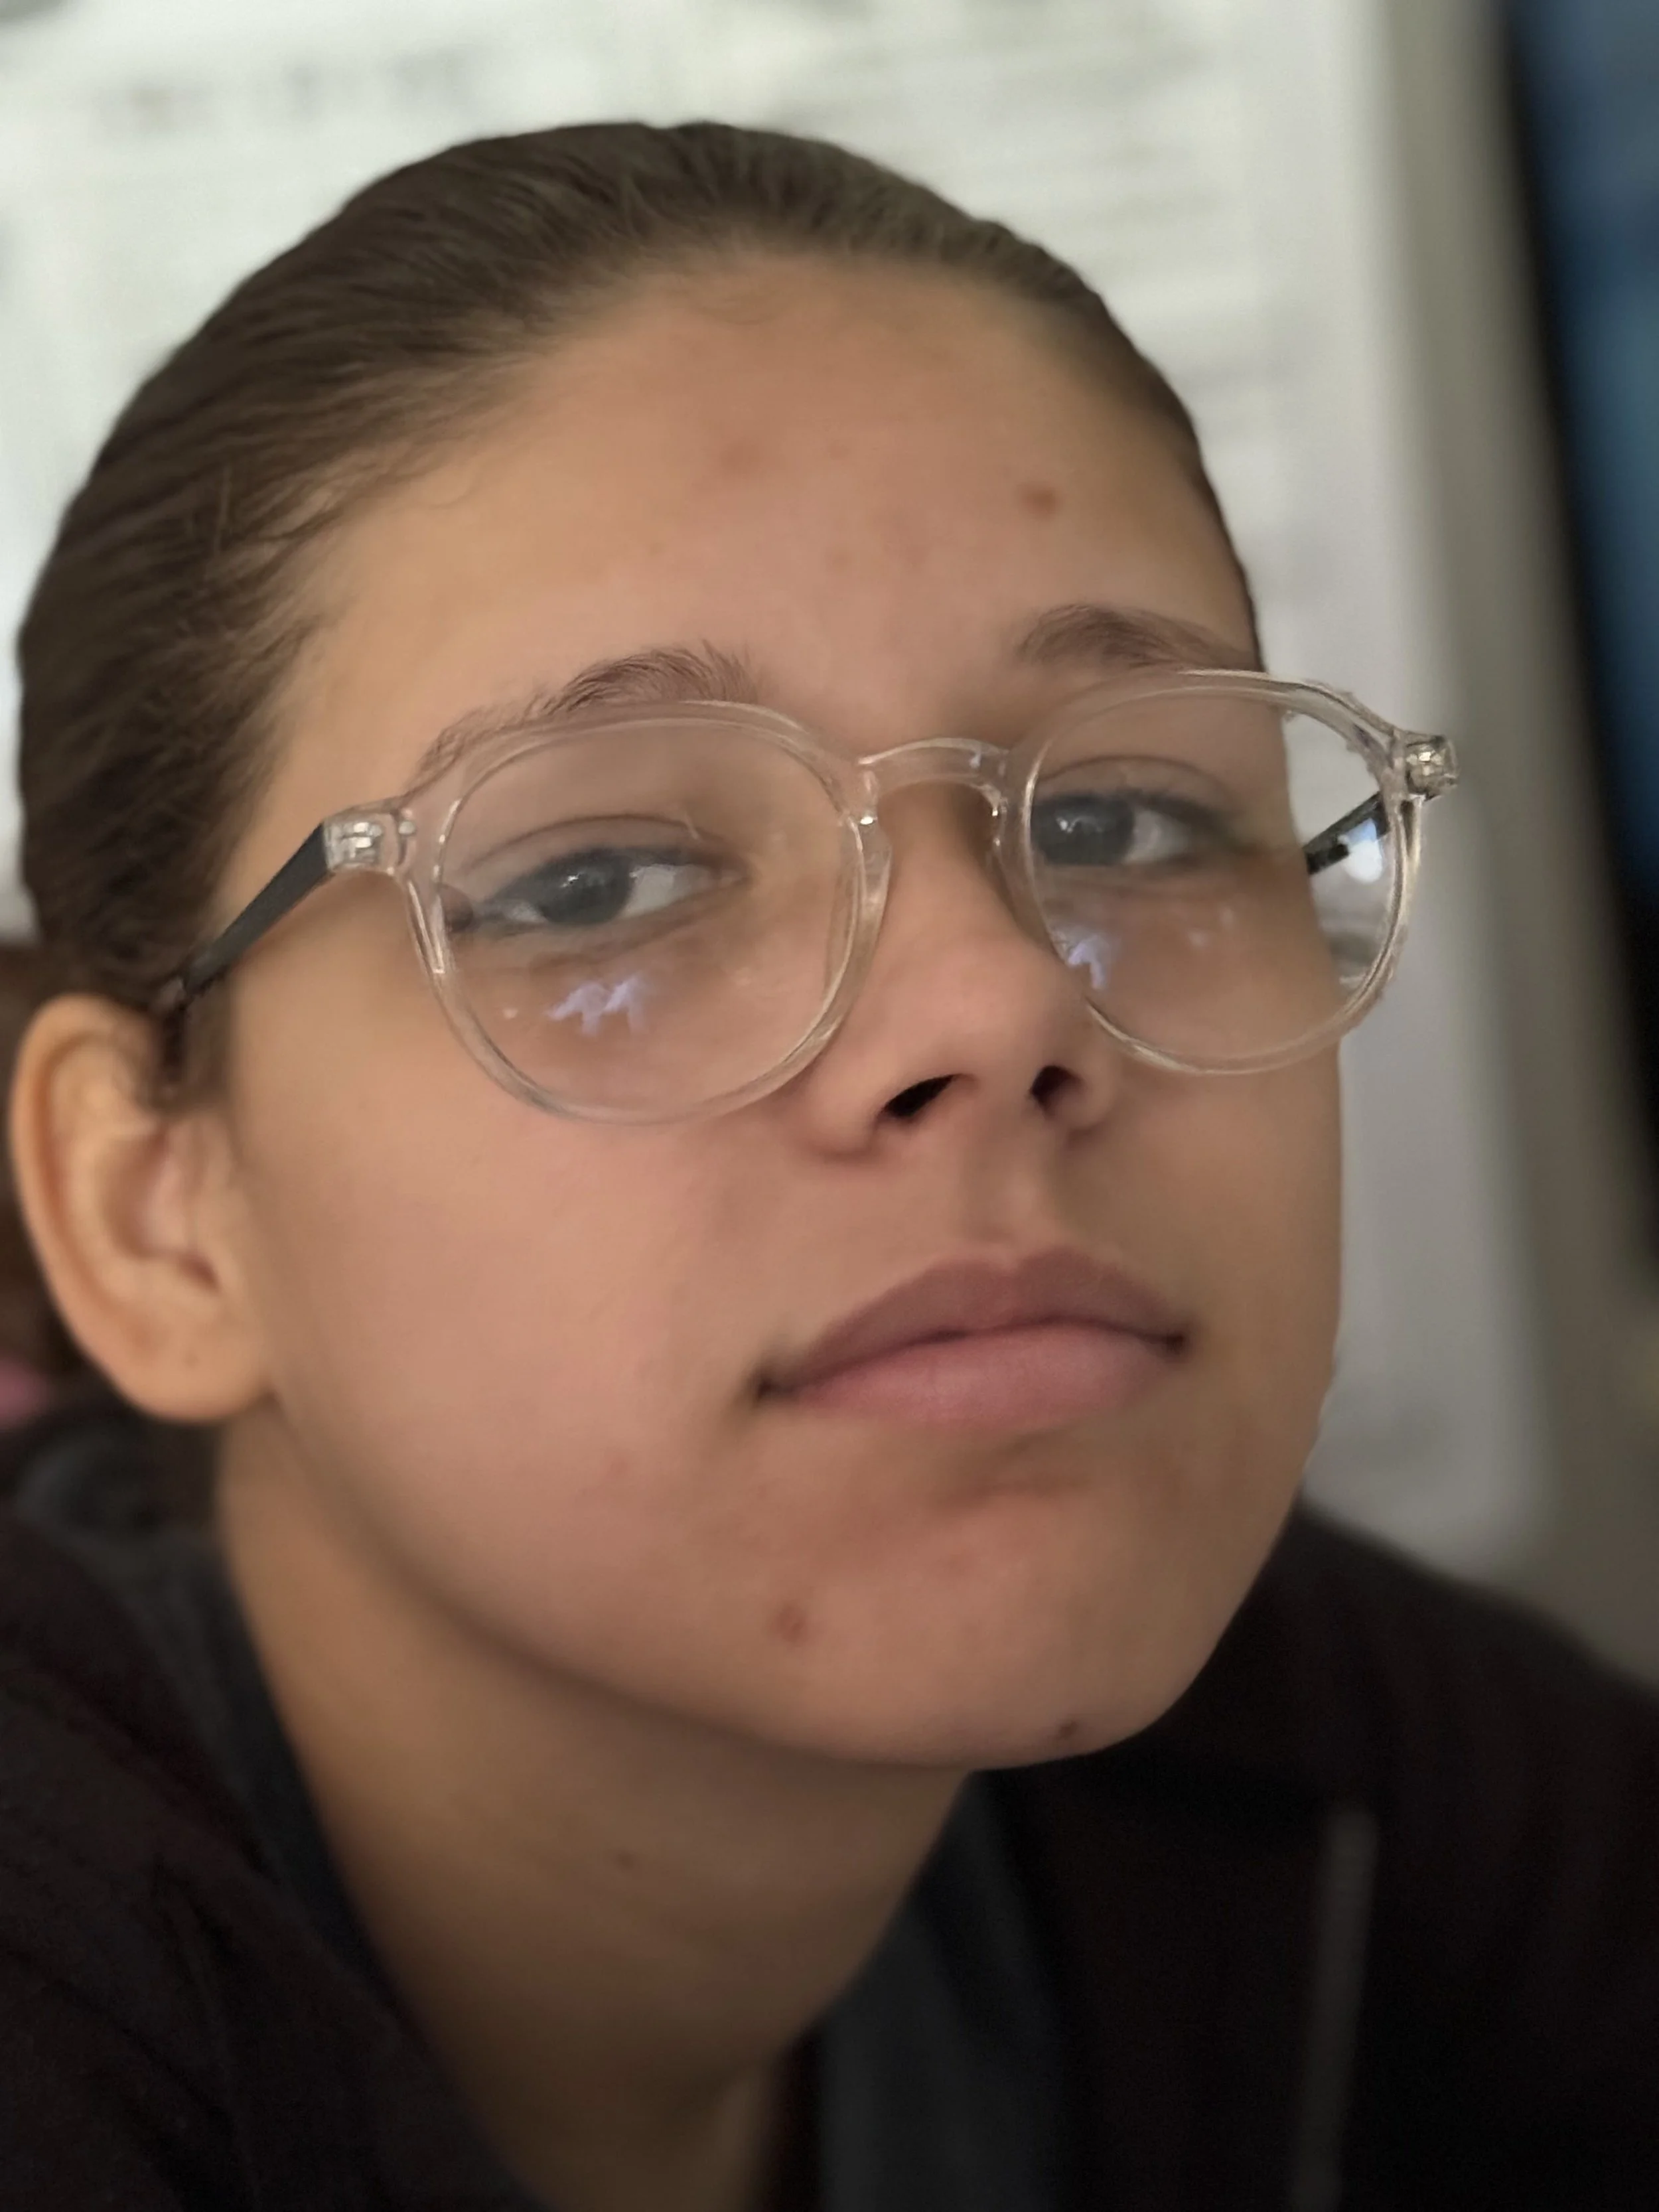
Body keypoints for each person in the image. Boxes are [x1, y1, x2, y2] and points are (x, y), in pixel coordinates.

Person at [0, 119, 1653, 2212]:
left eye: (1124, 821)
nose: (994, 1001)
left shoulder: (1337, 1781)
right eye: (600, 872)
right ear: (158, 1215)